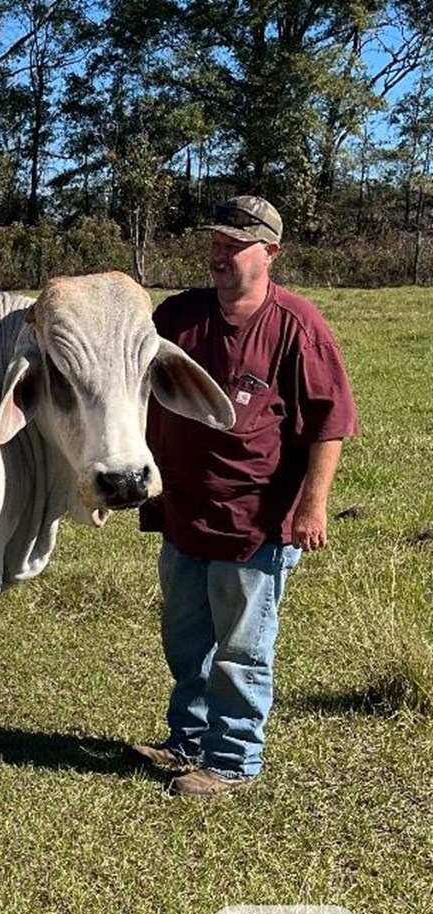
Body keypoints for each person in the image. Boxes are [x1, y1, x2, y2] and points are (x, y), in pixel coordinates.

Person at [132, 195, 359, 797]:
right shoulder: (178, 317)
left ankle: (231, 762)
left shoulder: (297, 326)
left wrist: (313, 504)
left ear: (270, 253)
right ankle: (189, 736)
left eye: (235, 246)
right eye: (215, 244)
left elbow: (329, 422)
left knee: (241, 647)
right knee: (185, 638)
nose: (220, 256)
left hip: (254, 520)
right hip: (183, 509)